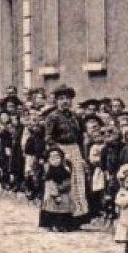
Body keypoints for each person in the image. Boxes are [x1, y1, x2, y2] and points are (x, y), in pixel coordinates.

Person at [42, 85, 90, 225]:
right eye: (61, 99)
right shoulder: (52, 117)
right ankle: (57, 218)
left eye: (67, 98)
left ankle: (76, 216)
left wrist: (82, 155)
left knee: (77, 182)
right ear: (56, 101)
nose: (65, 102)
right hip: (59, 151)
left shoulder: (76, 117)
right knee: (61, 183)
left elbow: (80, 136)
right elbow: (48, 138)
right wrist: (57, 155)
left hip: (75, 150)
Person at [39, 147, 76, 231]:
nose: (56, 160)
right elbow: (49, 184)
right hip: (53, 194)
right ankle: (52, 224)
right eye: (53, 158)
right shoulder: (49, 173)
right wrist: (55, 194)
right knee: (52, 207)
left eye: (58, 157)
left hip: (64, 192)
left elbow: (68, 181)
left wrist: (64, 187)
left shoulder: (65, 170)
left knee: (65, 206)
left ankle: (65, 225)